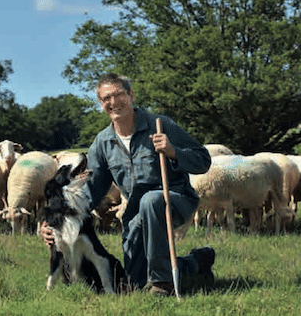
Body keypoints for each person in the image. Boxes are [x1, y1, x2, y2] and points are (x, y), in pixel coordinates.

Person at [40, 73, 215, 296]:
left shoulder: (160, 125)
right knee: (136, 282)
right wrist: (54, 223)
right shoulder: (103, 143)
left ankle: (163, 285)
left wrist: (173, 151)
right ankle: (196, 262)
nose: (113, 102)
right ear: (101, 104)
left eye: (118, 94)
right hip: (134, 215)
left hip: (175, 200)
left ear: (131, 95)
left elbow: (203, 161)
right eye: (106, 99)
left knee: (151, 200)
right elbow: (90, 191)